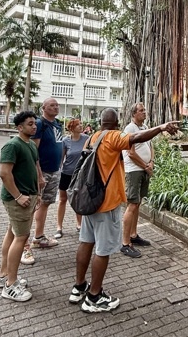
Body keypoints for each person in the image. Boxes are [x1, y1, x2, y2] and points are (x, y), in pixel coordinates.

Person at [69, 108, 180, 313]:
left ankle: (79, 287)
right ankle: (94, 296)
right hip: (106, 203)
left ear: (101, 121)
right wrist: (161, 127)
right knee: (102, 251)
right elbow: (136, 137)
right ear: (117, 122)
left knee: (85, 242)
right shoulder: (113, 136)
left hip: (89, 201)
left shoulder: (92, 137)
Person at [0, 110, 40, 302]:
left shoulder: (30, 144)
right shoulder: (12, 145)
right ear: (19, 127)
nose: (34, 126)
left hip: (28, 197)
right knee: (21, 237)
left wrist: (36, 194)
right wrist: (19, 196)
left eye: (34, 123)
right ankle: (10, 285)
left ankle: (4, 275)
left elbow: (35, 169)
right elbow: (5, 173)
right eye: (30, 124)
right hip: (18, 199)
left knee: (14, 233)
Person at [25, 97, 63, 259]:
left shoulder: (58, 124)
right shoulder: (40, 124)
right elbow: (34, 151)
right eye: (52, 105)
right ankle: (25, 246)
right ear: (44, 108)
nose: (56, 108)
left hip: (55, 171)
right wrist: (39, 174)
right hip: (43, 172)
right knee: (32, 207)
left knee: (45, 204)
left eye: (57, 105)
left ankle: (38, 237)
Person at [121, 102, 154, 258]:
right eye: (141, 110)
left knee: (138, 202)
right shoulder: (129, 129)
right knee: (132, 204)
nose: (144, 112)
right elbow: (131, 153)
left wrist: (151, 162)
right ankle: (125, 243)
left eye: (144, 110)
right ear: (134, 114)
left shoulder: (145, 127)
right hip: (134, 170)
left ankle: (134, 234)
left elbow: (150, 146)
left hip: (143, 169)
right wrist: (145, 166)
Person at [55, 117, 88, 238]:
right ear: (72, 128)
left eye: (81, 124)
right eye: (78, 124)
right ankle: (59, 227)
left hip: (80, 175)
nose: (81, 126)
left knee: (78, 199)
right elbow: (61, 159)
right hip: (66, 174)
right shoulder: (65, 141)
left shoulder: (86, 139)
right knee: (62, 200)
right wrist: (58, 172)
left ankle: (79, 225)